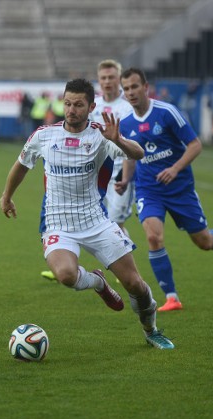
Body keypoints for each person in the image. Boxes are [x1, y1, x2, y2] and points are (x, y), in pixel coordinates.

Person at [0, 78, 175, 350]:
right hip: (57, 224)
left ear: (91, 106)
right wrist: (7, 196)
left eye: (78, 105)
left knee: (135, 285)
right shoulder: (44, 135)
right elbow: (22, 165)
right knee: (67, 276)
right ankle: (98, 283)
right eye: (67, 103)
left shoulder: (101, 136)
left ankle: (151, 329)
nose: (71, 110)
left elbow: (138, 154)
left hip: (96, 222)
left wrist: (118, 140)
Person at [115, 68, 213, 312]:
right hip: (148, 189)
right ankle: (171, 297)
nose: (131, 92)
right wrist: (126, 180)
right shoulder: (125, 124)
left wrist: (175, 169)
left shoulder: (166, 112)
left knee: (201, 240)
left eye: (135, 86)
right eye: (126, 89)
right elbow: (130, 156)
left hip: (180, 188)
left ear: (146, 87)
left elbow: (195, 145)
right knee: (153, 236)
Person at [41, 59, 134, 282]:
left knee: (114, 222)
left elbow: (131, 144)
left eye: (111, 77)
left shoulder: (127, 107)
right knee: (80, 216)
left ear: (118, 80)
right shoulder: (93, 104)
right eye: (103, 78)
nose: (107, 82)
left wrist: (128, 176)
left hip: (121, 170)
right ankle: (66, 263)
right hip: (94, 172)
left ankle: (121, 268)